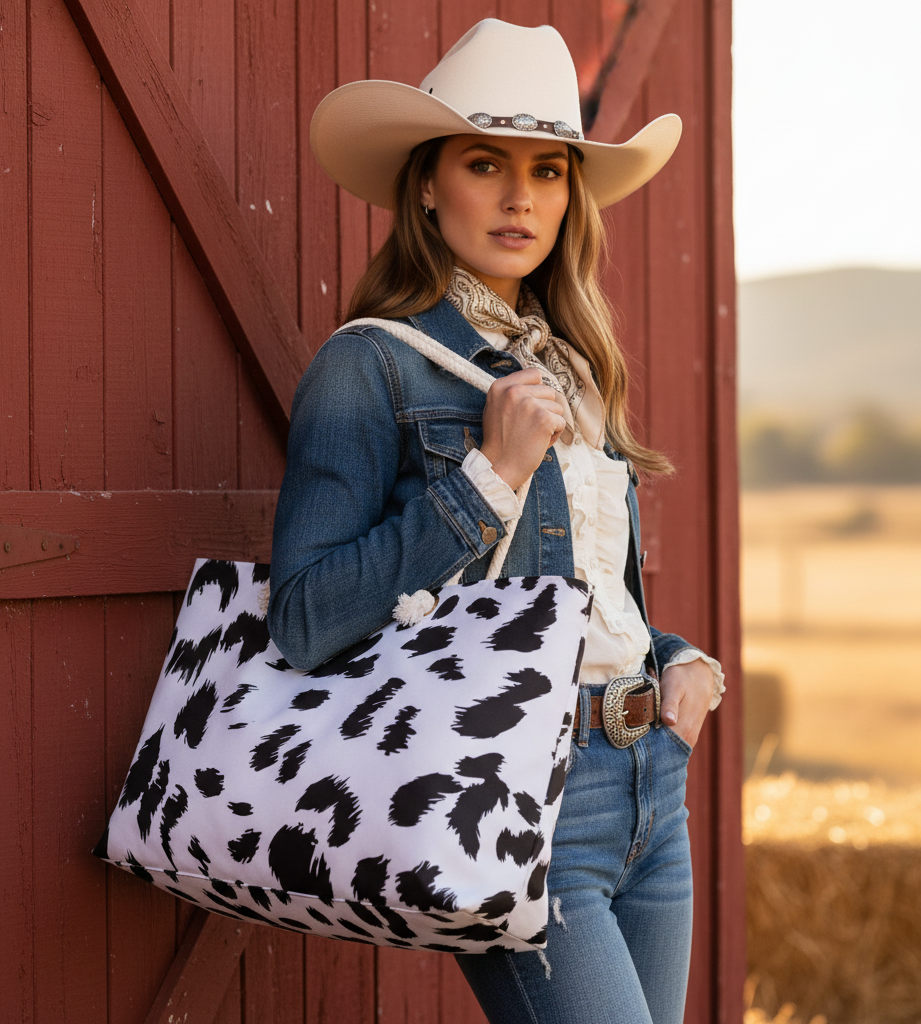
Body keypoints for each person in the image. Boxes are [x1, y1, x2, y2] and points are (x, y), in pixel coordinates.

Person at [268, 18, 725, 1024]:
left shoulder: (574, 365)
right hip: (527, 793)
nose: (522, 198)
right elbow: (302, 616)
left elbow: (585, 598)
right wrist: (484, 479)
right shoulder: (369, 364)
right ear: (428, 184)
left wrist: (677, 659)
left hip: (651, 779)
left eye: (549, 171)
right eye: (486, 163)